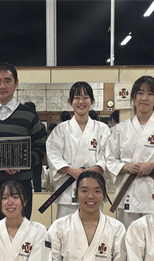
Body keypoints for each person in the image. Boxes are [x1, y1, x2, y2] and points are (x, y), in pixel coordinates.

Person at [0, 62, 47, 221]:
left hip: (21, 184)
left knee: (22, 227)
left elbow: (40, 148)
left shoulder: (29, 115)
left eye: (7, 80)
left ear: (16, 83)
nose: (2, 86)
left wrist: (22, 163)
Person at [106, 76, 154, 229]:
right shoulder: (120, 129)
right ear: (133, 97)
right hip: (128, 191)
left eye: (150, 94)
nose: (144, 98)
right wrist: (126, 167)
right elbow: (109, 158)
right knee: (127, 237)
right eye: (140, 93)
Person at [46, 82, 109, 219]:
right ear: (70, 101)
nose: (81, 101)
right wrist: (70, 170)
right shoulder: (60, 129)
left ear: (92, 101)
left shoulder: (102, 129)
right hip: (67, 191)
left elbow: (107, 156)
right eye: (77, 98)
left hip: (94, 187)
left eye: (85, 97)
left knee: (93, 227)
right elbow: (53, 155)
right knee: (65, 228)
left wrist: (92, 171)